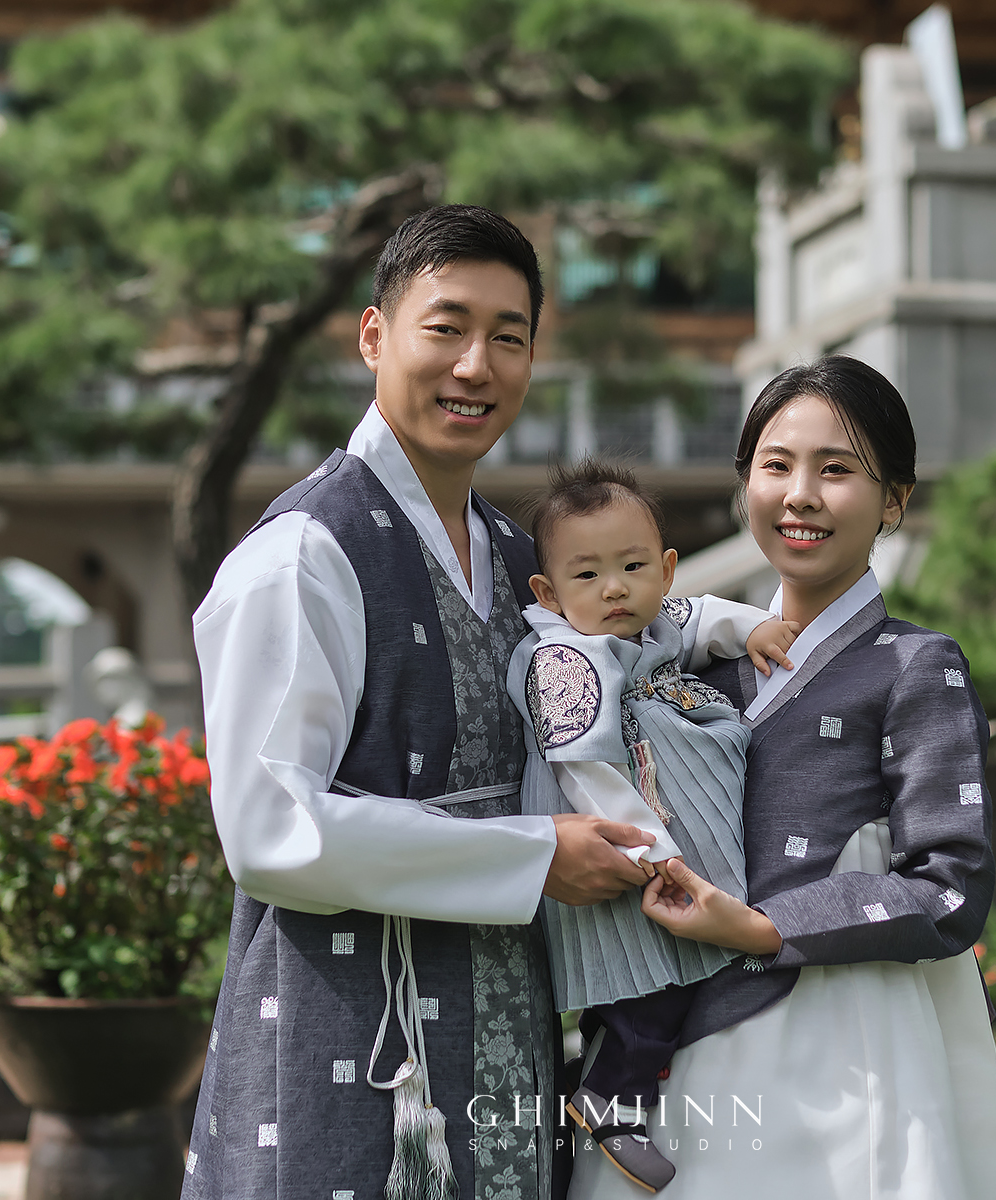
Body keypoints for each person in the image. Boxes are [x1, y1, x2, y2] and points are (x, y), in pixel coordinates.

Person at [183, 206, 658, 1200]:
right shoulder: (303, 553)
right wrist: (533, 857)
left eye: (508, 337)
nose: (475, 366)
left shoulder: (525, 560)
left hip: (509, 1040)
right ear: (374, 336)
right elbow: (269, 831)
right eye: (446, 328)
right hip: (354, 1045)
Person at [571, 356, 996, 1200]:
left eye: (837, 470)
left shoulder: (917, 665)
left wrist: (760, 927)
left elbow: (951, 887)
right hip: (663, 1046)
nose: (800, 495)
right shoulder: (685, 664)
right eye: (776, 466)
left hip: (843, 1044)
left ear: (894, 501)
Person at [508, 460, 798, 1193]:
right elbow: (587, 768)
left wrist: (758, 627)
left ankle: (614, 1077)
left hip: (658, 838)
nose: (614, 588)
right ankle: (612, 1093)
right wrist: (650, 852)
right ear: (548, 593)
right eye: (587, 575)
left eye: (633, 567)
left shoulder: (658, 621)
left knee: (674, 969)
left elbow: (704, 616)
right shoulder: (563, 657)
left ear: (665, 570)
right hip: (614, 849)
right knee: (646, 980)